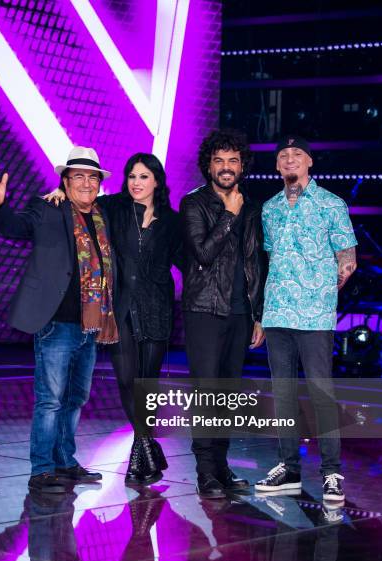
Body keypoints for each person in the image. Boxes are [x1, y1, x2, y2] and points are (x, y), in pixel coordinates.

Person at [46, 153, 182, 486]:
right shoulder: (113, 208)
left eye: (144, 177)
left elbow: (186, 259)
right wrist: (62, 192)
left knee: (146, 386)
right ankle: (147, 446)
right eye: (132, 176)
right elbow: (83, 201)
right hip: (120, 309)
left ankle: (141, 451)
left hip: (157, 309)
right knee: (126, 381)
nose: (136, 183)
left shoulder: (172, 220)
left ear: (156, 181)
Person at [0, 146, 117, 493]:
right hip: (56, 324)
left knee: (76, 398)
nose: (86, 183)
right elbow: (15, 227)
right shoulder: (48, 207)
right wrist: (0, 205)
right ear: (65, 180)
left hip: (90, 326)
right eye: (78, 176)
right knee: (51, 399)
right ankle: (42, 468)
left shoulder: (105, 214)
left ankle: (65, 461)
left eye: (92, 177)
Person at [255, 135, 357, 502]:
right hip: (278, 313)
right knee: (282, 392)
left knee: (321, 392)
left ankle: (331, 472)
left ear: (310, 162)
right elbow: (269, 258)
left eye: (297, 154)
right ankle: (288, 467)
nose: (290, 159)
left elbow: (347, 259)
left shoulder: (331, 204)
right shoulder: (270, 208)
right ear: (277, 165)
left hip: (314, 316)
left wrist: (321, 291)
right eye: (283, 155)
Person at [180, 130, 267, 499]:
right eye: (219, 160)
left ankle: (221, 466)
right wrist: (228, 216)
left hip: (240, 314)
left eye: (233, 160)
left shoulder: (252, 206)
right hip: (204, 310)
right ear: (209, 165)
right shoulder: (194, 204)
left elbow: (258, 264)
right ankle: (204, 471)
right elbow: (202, 253)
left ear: (242, 165)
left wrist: (258, 315)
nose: (226, 167)